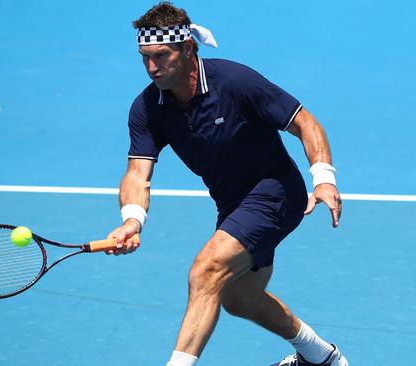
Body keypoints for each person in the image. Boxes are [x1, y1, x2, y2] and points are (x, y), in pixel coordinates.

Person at [107, 3, 348, 366]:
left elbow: (306, 123)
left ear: (188, 49)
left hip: (276, 193)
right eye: (145, 58)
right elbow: (137, 174)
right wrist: (132, 220)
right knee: (240, 300)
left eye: (161, 55)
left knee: (205, 271)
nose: (152, 68)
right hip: (232, 205)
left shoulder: (236, 83)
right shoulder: (147, 107)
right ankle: (321, 357)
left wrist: (324, 179)